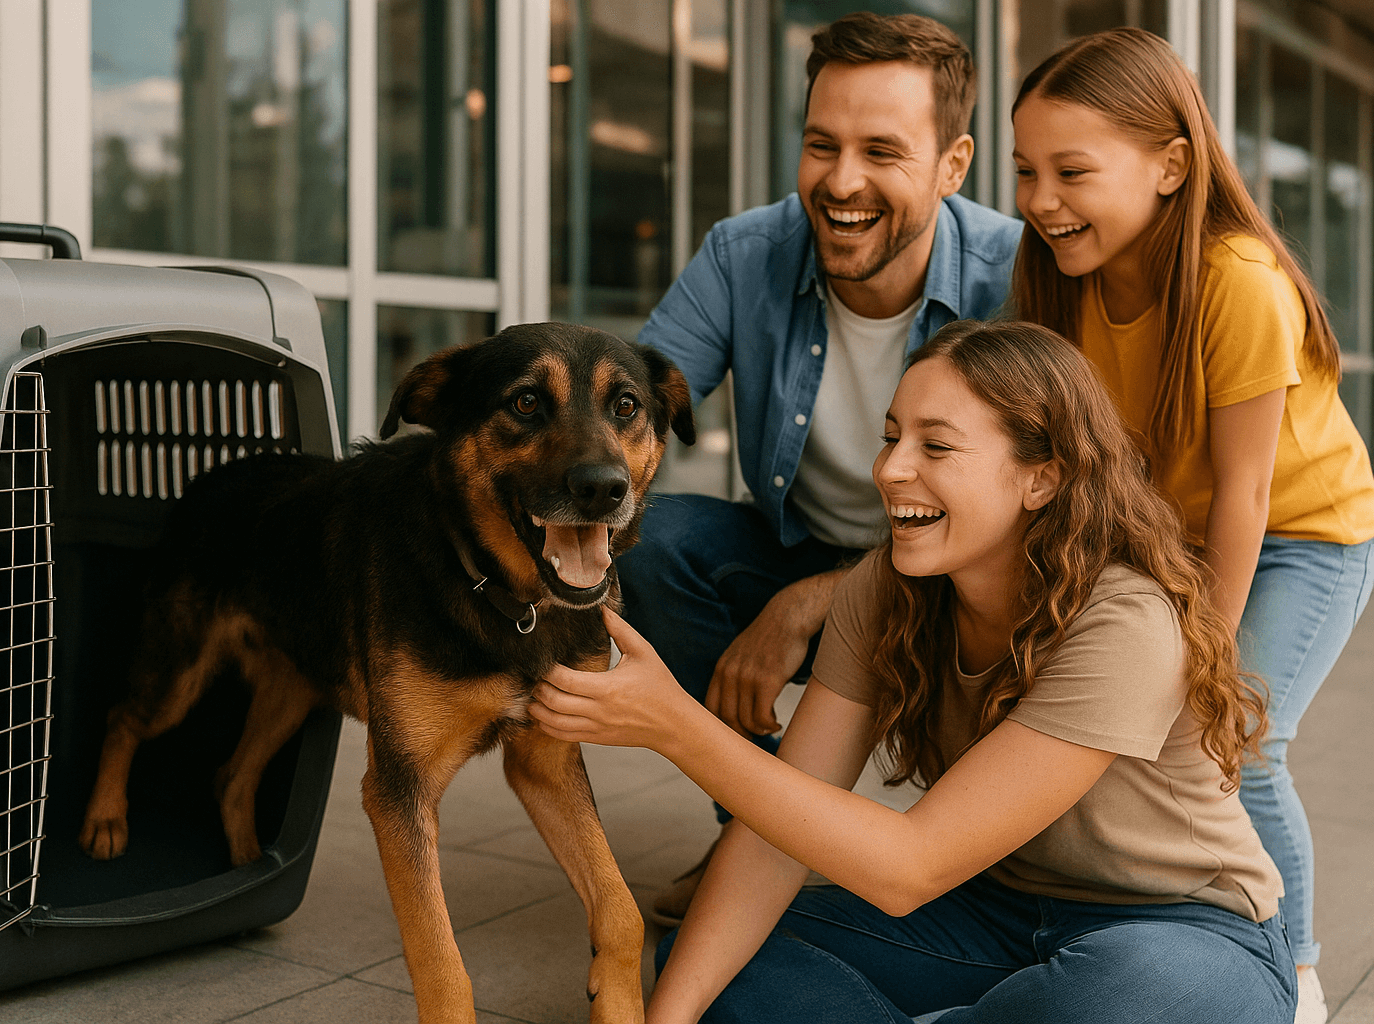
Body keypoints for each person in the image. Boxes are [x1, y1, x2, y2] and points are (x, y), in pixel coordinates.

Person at [532, 319, 1296, 1024]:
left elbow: (910, 866)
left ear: (1041, 478)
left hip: (1181, 931)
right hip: (988, 913)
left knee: (1108, 1003)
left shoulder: (1125, 620)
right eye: (892, 437)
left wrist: (676, 724)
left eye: (936, 447)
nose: (891, 470)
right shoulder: (885, 586)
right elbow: (773, 839)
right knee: (715, 967)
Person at [617, 11, 1021, 924]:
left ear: (953, 167)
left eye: (882, 150)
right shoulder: (744, 253)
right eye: (821, 144)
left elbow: (1038, 513)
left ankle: (988, 859)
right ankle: (754, 835)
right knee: (656, 541)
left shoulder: (1015, 276)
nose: (841, 182)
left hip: (961, 572)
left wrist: (816, 603)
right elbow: (631, 410)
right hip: (798, 545)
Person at [1008, 28, 1374, 1024]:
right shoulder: (1064, 282)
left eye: (1071, 171)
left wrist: (1200, 660)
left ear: (1172, 165)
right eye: (1027, 171)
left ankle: (1292, 975)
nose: (1041, 200)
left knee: (1239, 741)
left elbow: (1246, 493)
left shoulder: (1238, 279)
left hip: (1306, 534)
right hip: (1167, 533)